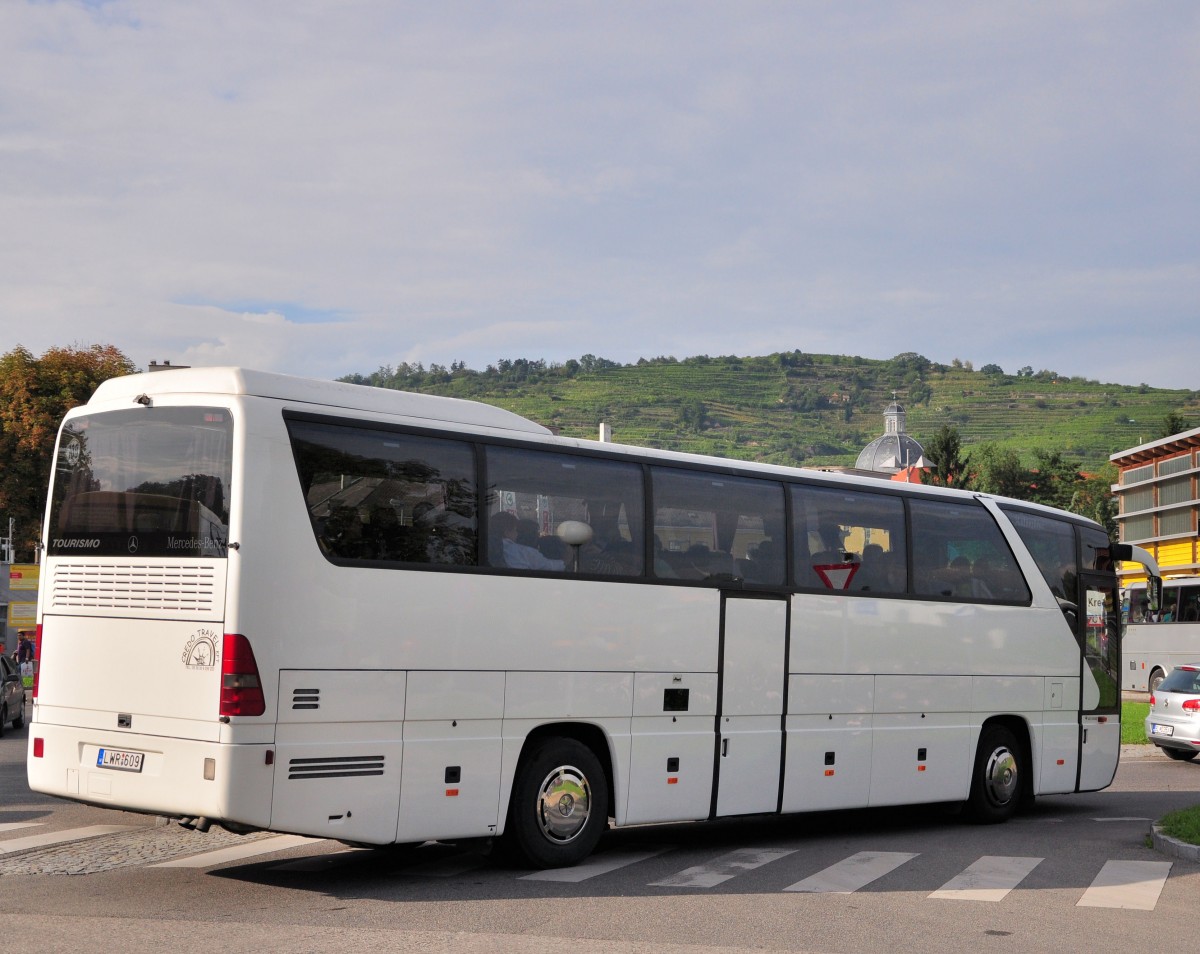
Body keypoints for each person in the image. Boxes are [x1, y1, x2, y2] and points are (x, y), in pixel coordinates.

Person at [490, 512, 565, 570]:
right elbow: (552, 566)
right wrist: (568, 557)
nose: (517, 534)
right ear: (506, 532)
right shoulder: (522, 552)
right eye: (515, 530)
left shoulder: (487, 548)